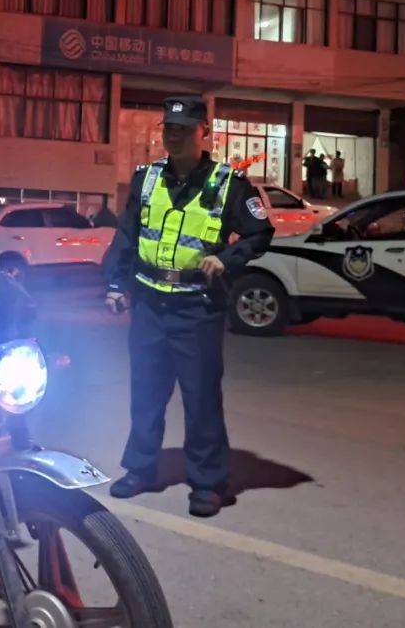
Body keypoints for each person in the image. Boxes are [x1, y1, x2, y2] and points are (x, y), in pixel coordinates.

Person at [103, 96, 274, 518]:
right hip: (149, 303)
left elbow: (259, 233)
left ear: (204, 133)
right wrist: (115, 284)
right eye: (169, 129)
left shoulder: (229, 184)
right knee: (146, 393)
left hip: (197, 307)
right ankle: (140, 468)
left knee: (201, 400)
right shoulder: (146, 179)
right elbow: (126, 235)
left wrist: (227, 259)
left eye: (183, 130)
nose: (174, 137)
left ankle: (208, 483)